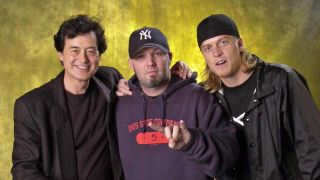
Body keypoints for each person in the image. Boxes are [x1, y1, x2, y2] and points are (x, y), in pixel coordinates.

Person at [196, 14, 320, 179]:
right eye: (208, 48)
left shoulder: (281, 81)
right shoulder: (205, 96)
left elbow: (312, 148)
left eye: (223, 42)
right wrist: (177, 76)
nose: (216, 53)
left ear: (240, 44)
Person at [115, 26, 239, 180]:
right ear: (131, 63)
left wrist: (192, 142)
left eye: (158, 54)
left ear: (170, 57)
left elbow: (229, 159)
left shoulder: (199, 98)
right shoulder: (120, 103)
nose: (150, 63)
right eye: (141, 56)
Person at [12, 15, 124, 180]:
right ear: (61, 55)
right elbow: (24, 171)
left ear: (99, 55)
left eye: (91, 51)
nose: (83, 59)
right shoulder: (31, 106)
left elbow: (143, 91)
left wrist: (171, 77)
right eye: (75, 50)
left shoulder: (110, 79)